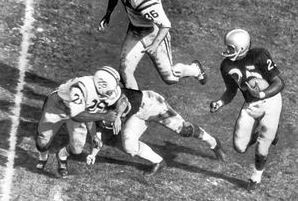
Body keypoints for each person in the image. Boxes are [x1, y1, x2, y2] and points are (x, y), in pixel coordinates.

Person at [73, 66, 226, 176]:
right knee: (129, 146)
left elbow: (123, 101)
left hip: (152, 105)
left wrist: (118, 116)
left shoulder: (111, 93)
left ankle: (213, 142)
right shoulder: (93, 97)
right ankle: (159, 162)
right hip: (136, 116)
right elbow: (96, 129)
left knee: (184, 130)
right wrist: (94, 152)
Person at [98, 0, 207, 90]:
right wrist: (108, 13)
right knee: (125, 71)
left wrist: (155, 44)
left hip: (153, 33)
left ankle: (194, 69)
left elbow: (166, 25)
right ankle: (135, 106)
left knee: (170, 78)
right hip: (135, 31)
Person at [209, 29, 285, 191]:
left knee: (262, 146)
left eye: (231, 48)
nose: (227, 51)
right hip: (250, 105)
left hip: (270, 101)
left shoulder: (260, 55)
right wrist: (220, 102)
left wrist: (262, 93)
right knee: (239, 147)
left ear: (241, 47)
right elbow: (231, 91)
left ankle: (255, 178)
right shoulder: (227, 65)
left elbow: (279, 83)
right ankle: (269, 134)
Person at [35, 66, 127, 177]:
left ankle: (61, 156)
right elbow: (76, 116)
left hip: (80, 111)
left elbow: (123, 101)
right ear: (101, 84)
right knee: (43, 140)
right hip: (58, 105)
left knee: (77, 148)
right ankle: (43, 157)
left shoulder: (109, 90)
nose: (111, 94)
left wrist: (117, 118)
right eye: (109, 91)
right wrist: (104, 116)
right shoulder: (81, 87)